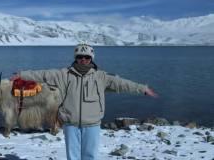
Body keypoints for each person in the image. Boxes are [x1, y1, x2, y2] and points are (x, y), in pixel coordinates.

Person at [11, 43, 158, 160]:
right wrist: (22, 75)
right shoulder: (63, 75)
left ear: (91, 59)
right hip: (70, 123)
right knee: (73, 157)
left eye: (87, 57)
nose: (83, 60)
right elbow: (42, 74)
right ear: (76, 58)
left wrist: (142, 89)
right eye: (80, 57)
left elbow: (122, 84)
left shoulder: (101, 77)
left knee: (90, 156)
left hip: (92, 124)